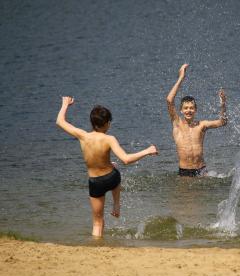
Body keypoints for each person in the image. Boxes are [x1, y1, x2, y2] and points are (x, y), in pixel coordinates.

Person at [56, 97, 158, 237]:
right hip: (111, 178)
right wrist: (147, 151)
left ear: (92, 123)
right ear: (107, 123)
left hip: (95, 182)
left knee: (97, 222)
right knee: (115, 170)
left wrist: (65, 104)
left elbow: (60, 121)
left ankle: (97, 244)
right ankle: (116, 204)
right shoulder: (109, 139)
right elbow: (126, 159)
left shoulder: (83, 136)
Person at [166, 64, 227, 177]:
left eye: (191, 108)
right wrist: (181, 78)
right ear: (181, 110)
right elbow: (169, 100)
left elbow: (223, 122)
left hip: (202, 170)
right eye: (186, 108)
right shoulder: (177, 123)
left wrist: (223, 104)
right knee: (186, 195)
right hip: (185, 171)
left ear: (195, 110)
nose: (189, 110)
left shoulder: (201, 125)